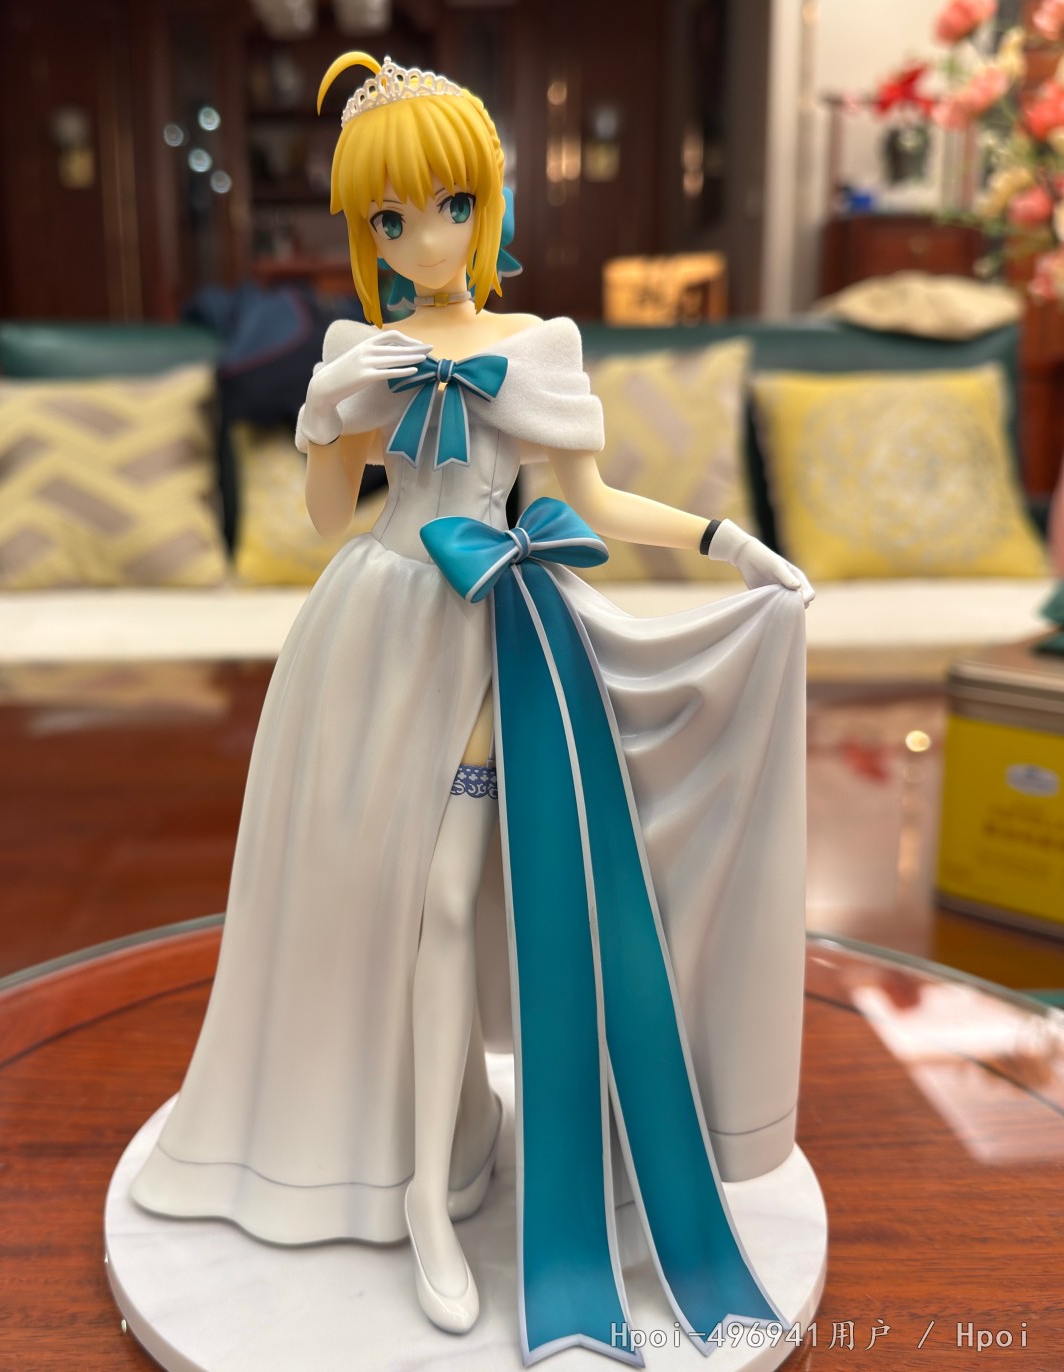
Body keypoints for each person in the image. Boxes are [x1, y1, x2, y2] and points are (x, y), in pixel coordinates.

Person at [129, 49, 813, 1366]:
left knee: (454, 897)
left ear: (487, 205)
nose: (425, 238)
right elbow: (330, 519)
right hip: (369, 641)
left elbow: (591, 503)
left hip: (502, 640)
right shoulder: (358, 349)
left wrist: (727, 540)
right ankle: (408, 1168)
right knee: (362, 911)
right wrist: (325, 424)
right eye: (393, 217)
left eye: (449, 207)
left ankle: (448, 1193)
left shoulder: (535, 347)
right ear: (367, 228)